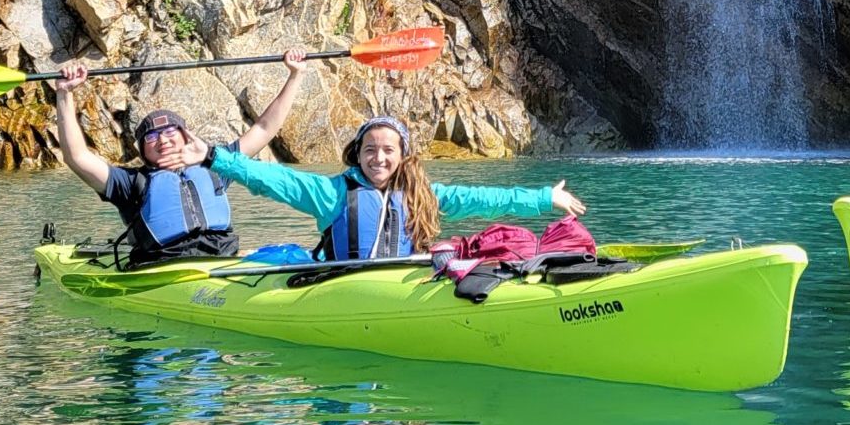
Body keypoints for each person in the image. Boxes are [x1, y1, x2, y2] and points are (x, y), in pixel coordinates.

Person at [182, 114, 587, 260]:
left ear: (403, 155)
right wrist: (215, 156)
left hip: (399, 283)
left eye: (388, 150)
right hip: (342, 287)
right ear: (357, 154)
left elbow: (482, 198)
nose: (378, 158)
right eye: (370, 150)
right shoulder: (333, 193)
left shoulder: (422, 196)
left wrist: (543, 197)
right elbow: (274, 179)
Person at [53, 50, 309, 266]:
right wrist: (64, 94)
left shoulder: (216, 166)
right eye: (151, 137)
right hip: (164, 267)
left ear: (186, 137)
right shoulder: (129, 183)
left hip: (222, 260)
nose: (162, 141)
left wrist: (295, 74)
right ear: (142, 150)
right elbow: (76, 156)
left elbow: (263, 129)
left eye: (169, 132)